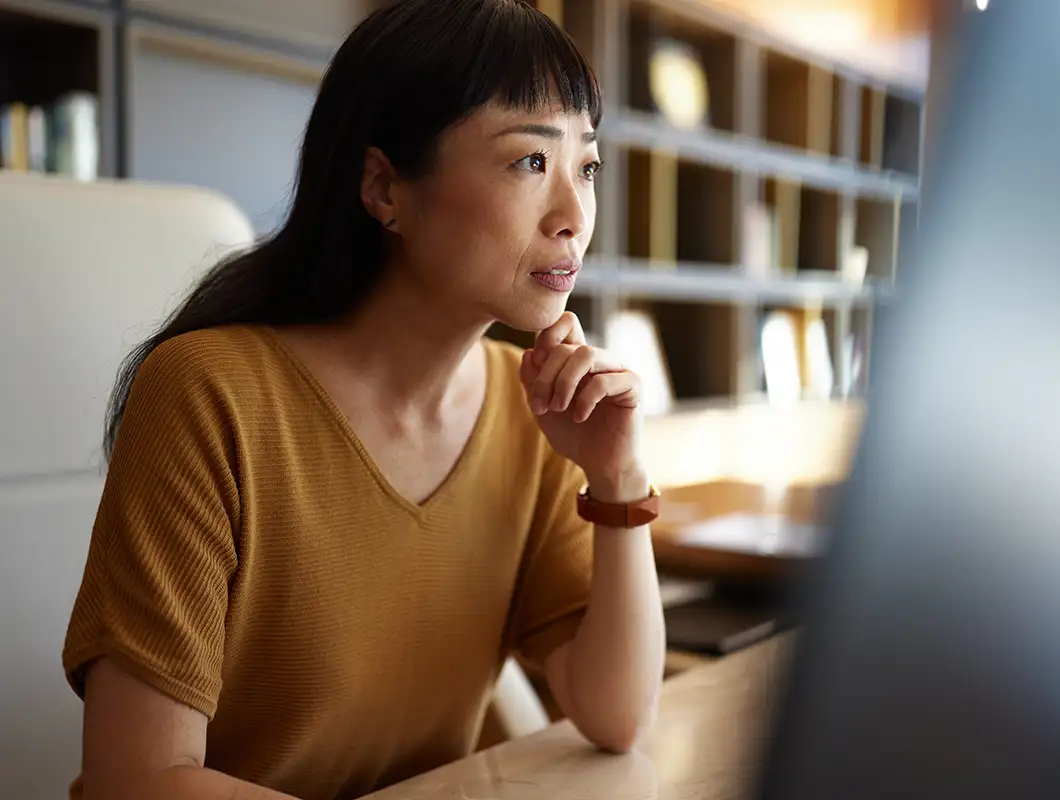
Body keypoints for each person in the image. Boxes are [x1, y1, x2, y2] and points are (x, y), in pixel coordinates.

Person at [60, 2, 666, 798]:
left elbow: (616, 717)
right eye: (529, 163)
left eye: (585, 167)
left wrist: (616, 477)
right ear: (384, 187)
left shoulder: (535, 418)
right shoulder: (208, 395)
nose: (574, 216)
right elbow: (135, 778)